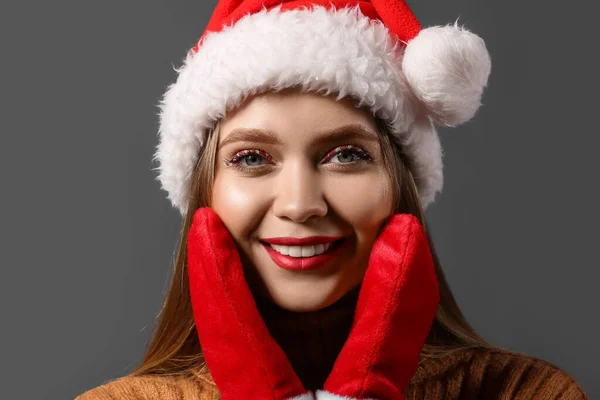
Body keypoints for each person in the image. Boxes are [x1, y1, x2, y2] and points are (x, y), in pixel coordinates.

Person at [77, 1, 588, 399]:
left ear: (401, 183)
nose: (301, 205)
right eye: (252, 158)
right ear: (204, 189)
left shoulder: (526, 393)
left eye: (345, 155)